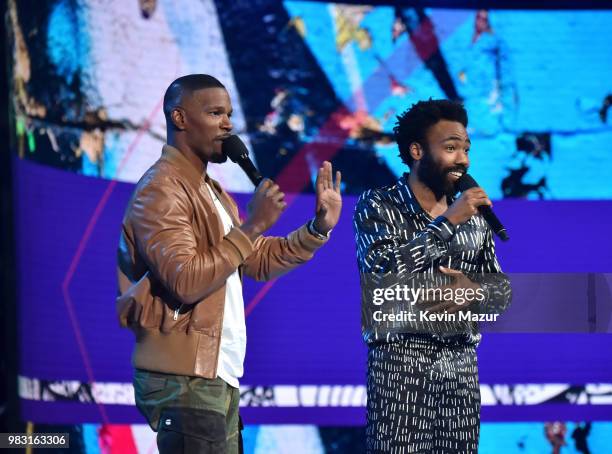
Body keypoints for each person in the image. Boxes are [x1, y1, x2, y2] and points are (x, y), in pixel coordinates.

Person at [116, 74, 342, 453]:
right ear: (180, 119)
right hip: (184, 374)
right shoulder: (161, 190)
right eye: (216, 112)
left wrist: (318, 228)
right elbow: (185, 280)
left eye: (229, 114)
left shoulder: (210, 191)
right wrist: (253, 224)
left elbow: (255, 258)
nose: (228, 124)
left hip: (216, 371)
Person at [354, 99, 510, 453]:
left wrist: (473, 291)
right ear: (417, 150)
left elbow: (501, 295)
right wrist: (447, 223)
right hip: (400, 359)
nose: (463, 160)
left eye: (466, 148)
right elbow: (382, 275)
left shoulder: (475, 214)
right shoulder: (379, 205)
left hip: (461, 363)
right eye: (451, 147)